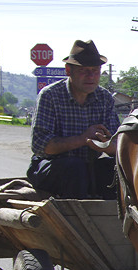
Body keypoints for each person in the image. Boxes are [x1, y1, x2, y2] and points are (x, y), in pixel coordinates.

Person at [26, 39, 120, 199]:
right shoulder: (51, 95)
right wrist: (83, 139)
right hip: (50, 167)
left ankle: (114, 219)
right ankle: (78, 220)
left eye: (95, 71)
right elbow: (41, 145)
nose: (91, 76)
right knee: (74, 167)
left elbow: (118, 146)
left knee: (120, 169)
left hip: (88, 168)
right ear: (69, 70)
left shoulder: (104, 98)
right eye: (84, 70)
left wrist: (105, 145)